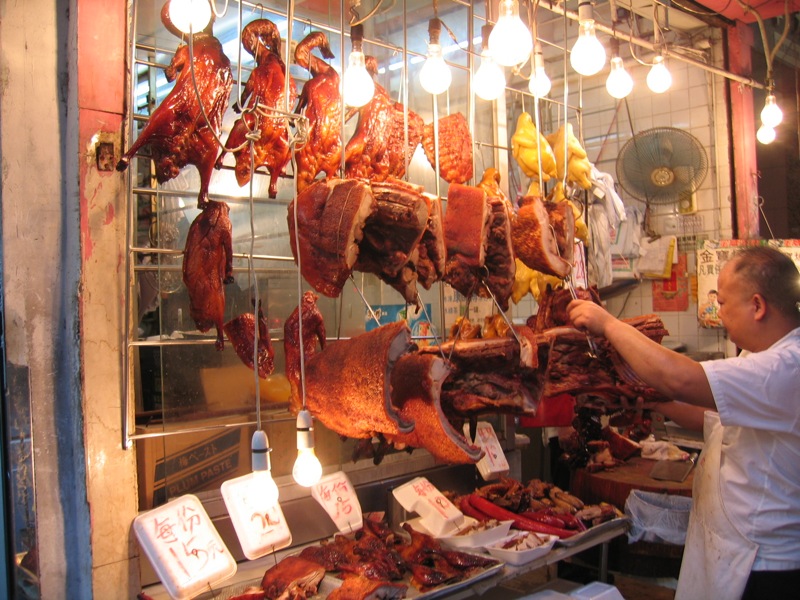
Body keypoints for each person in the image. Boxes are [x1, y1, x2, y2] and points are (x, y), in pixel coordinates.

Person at [567, 246, 800, 600]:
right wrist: (658, 403)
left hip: (763, 568)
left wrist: (608, 324)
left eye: (722, 303)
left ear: (757, 305)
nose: (719, 313)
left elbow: (681, 379)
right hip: (736, 553)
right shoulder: (762, 357)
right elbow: (716, 420)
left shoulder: (787, 367)